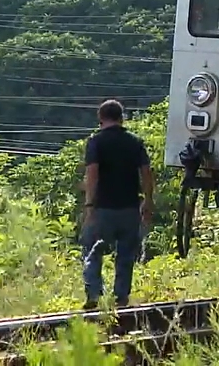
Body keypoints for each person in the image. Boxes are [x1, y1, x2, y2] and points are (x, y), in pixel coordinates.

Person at [81, 99, 154, 309]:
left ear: (100, 118)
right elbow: (147, 173)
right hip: (130, 208)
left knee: (92, 251)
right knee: (125, 255)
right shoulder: (135, 141)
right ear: (122, 118)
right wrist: (148, 200)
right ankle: (121, 298)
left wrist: (89, 205)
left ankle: (94, 296)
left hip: (102, 208)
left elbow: (92, 173)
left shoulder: (95, 142)